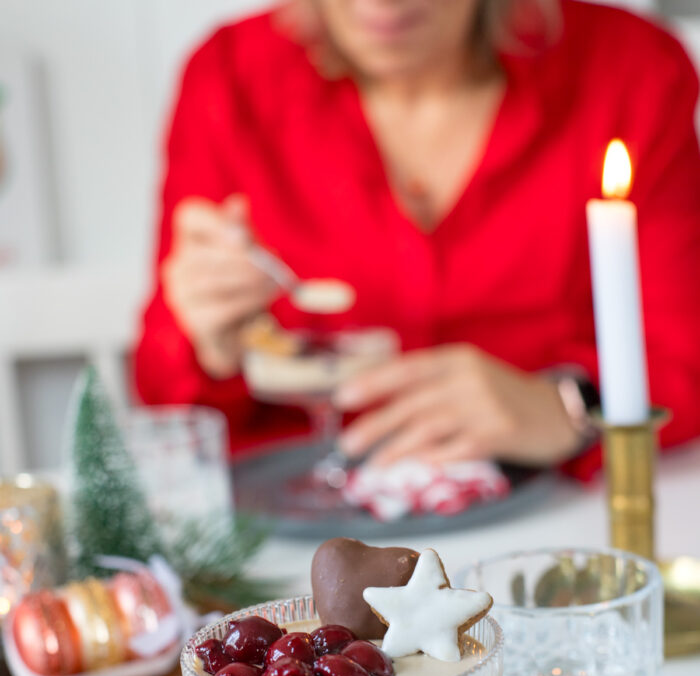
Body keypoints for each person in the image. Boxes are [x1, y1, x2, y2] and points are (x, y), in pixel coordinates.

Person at [133, 0, 700, 479]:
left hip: (552, 519)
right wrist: (208, 344)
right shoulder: (229, 79)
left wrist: (567, 406)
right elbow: (163, 395)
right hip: (297, 530)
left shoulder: (630, 71)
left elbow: (684, 360)